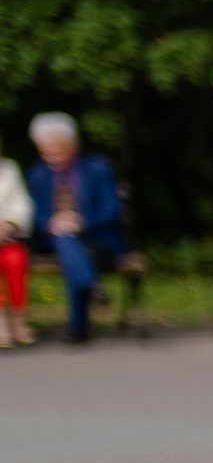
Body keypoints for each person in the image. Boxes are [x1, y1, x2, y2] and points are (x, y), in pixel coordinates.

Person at [26, 114, 127, 345]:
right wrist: (51, 222)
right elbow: (35, 213)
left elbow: (111, 209)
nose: (51, 158)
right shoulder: (38, 174)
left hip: (96, 237)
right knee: (66, 239)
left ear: (73, 144)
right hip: (53, 239)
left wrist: (81, 221)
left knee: (70, 246)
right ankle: (89, 287)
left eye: (57, 151)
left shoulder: (98, 168)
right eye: (45, 152)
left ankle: (79, 327)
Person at [0, 136, 32, 346]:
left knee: (16, 260)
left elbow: (22, 204)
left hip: (6, 238)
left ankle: (18, 321)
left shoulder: (10, 169)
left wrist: (10, 224)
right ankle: (0, 323)